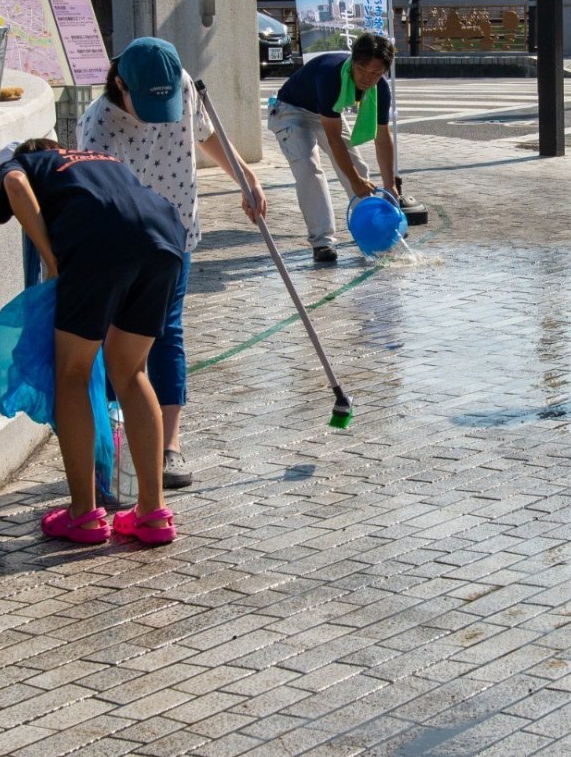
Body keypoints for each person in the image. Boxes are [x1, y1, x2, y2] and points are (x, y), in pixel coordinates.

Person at [78, 37, 265, 491]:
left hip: (176, 229)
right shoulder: (99, 126)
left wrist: (245, 174)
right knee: (114, 340)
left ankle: (170, 443)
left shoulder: (180, 84)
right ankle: (114, 441)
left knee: (167, 333)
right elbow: (94, 199)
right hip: (120, 241)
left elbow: (205, 135)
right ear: (120, 84)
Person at [0, 138, 188, 546]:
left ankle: (83, 515)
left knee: (73, 374)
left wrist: (51, 259)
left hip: (98, 236)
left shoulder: (25, 161)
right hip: (164, 233)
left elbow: (14, 187)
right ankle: (151, 513)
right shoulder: (99, 159)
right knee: (132, 370)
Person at [269, 32, 401, 265]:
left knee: (358, 167)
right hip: (291, 110)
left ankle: (371, 229)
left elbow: (383, 136)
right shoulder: (331, 75)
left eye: (376, 73)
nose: (367, 79)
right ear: (353, 62)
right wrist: (355, 181)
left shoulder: (380, 89)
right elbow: (333, 138)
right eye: (362, 70)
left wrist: (390, 185)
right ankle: (322, 242)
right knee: (310, 171)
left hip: (325, 113)